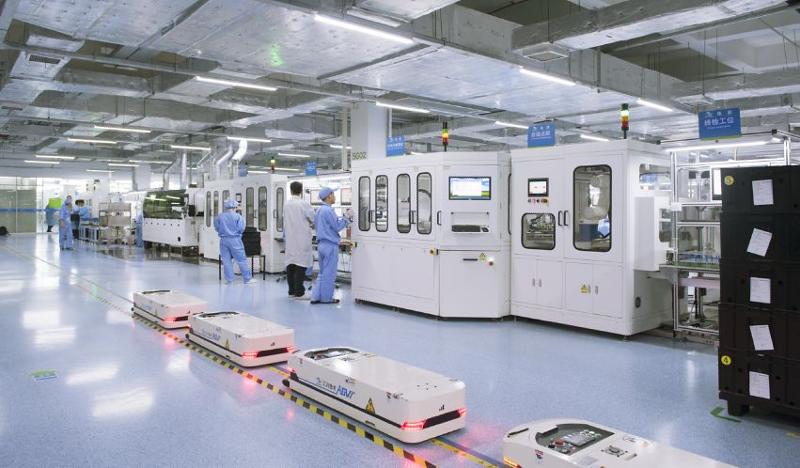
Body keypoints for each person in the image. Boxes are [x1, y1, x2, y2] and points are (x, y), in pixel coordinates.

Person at [311, 187, 351, 304]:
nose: (335, 197)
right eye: (333, 194)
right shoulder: (328, 210)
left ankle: (315, 297)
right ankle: (326, 298)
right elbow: (337, 227)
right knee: (329, 274)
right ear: (329, 196)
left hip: (321, 245)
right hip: (330, 246)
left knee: (322, 273)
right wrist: (346, 218)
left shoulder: (319, 210)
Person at [284, 181, 315, 299]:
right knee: (300, 265)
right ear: (301, 191)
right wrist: (311, 223)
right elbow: (313, 218)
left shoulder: (287, 204)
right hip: (302, 238)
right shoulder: (304, 204)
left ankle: (291, 291)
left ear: (291, 190)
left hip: (290, 239)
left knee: (291, 264)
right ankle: (299, 292)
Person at [214, 199, 253, 284]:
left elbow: (217, 228)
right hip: (235, 240)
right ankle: (247, 279)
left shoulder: (219, 217)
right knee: (241, 260)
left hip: (223, 241)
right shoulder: (238, 217)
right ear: (235, 207)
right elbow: (241, 229)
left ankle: (229, 280)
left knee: (226, 261)